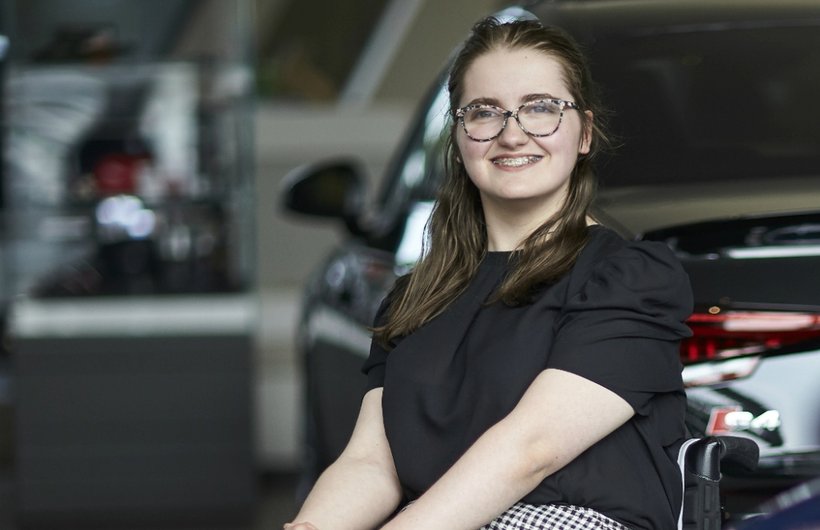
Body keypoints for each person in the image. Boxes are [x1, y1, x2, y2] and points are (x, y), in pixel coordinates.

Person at [285, 16, 692, 530]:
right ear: (459, 136)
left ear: (584, 132)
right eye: (484, 113)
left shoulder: (629, 277)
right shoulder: (416, 296)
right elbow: (370, 463)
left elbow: (532, 450)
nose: (512, 133)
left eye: (541, 109)